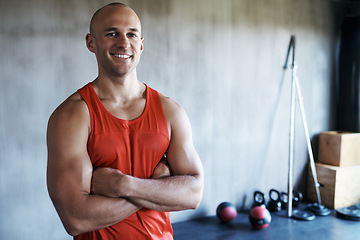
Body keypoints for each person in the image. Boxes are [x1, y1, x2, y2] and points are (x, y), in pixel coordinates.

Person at [46, 2, 204, 239]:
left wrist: (124, 185)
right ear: (91, 42)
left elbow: (193, 195)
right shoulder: (72, 116)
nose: (123, 42)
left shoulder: (170, 111)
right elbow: (76, 218)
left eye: (132, 34)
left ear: (141, 44)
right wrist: (157, 188)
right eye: (112, 33)